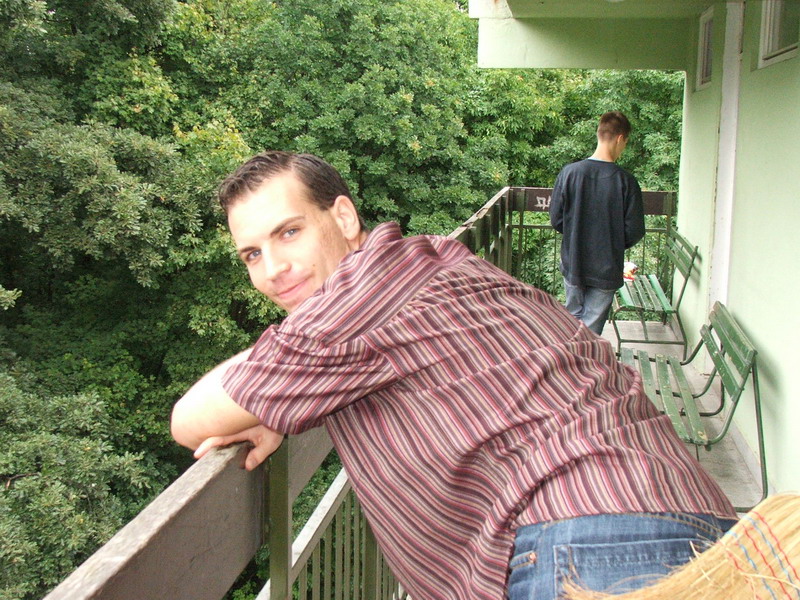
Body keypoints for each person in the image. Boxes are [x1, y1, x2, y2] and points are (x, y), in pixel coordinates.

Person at [171, 151, 736, 600]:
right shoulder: (436, 257)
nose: (273, 270)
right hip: (689, 513)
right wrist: (280, 395)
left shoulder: (353, 302)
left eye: (289, 232)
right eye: (251, 254)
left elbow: (189, 420)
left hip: (588, 543)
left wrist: (269, 390)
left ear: (343, 217)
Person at [550, 111, 645, 335]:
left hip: (574, 262)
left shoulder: (569, 173)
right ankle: (582, 356)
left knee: (572, 320)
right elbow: (634, 230)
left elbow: (556, 219)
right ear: (620, 138)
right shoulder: (626, 181)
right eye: (625, 143)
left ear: (599, 134)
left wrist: (576, 236)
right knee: (591, 330)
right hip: (606, 267)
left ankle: (568, 355)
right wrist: (612, 243)